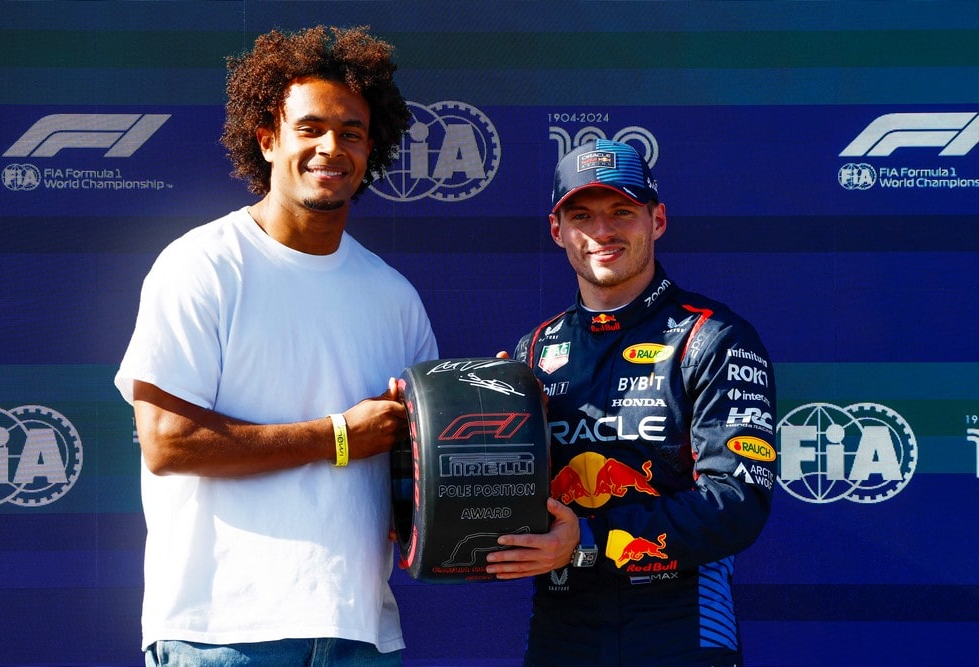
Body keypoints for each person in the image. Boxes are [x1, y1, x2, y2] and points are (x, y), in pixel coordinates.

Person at [114, 26, 438, 666]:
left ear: (371, 148)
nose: (330, 148)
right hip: (221, 632)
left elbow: (418, 466)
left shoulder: (394, 296)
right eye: (310, 128)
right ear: (267, 139)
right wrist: (340, 435)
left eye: (351, 132)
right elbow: (167, 441)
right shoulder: (202, 266)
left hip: (359, 632)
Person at [485, 139, 776, 666]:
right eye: (582, 215)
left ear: (656, 220)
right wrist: (480, 428)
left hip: (680, 623)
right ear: (558, 231)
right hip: (562, 627)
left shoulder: (713, 337)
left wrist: (588, 540)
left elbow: (737, 504)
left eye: (622, 211)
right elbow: (511, 493)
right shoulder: (533, 351)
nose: (602, 231)